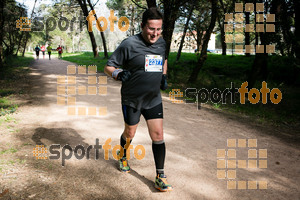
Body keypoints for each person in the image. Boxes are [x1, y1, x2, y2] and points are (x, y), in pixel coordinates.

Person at [104, 7, 171, 192]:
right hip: (132, 99)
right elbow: (108, 66)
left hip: (153, 98)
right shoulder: (129, 44)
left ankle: (160, 176)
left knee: (158, 136)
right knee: (130, 133)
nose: (155, 33)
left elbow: (164, 59)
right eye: (151, 29)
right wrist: (118, 73)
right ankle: (123, 156)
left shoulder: (162, 43)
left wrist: (164, 76)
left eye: (158, 29)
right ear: (142, 26)